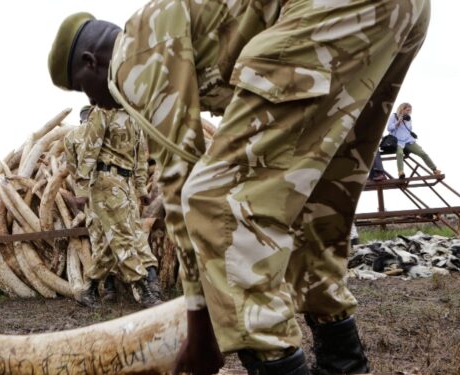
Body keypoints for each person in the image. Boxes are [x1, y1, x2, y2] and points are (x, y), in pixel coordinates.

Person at [49, 1, 429, 373]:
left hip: (333, 11)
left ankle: (276, 363)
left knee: (216, 203)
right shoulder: (174, 22)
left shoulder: (133, 54)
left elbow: (182, 176)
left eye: (83, 88)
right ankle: (342, 362)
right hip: (399, 12)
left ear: (90, 62)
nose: (92, 100)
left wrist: (200, 326)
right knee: (315, 209)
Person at [67, 104, 162, 308]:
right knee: (122, 236)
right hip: (106, 181)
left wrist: (141, 189)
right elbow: (90, 149)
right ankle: (142, 289)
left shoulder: (134, 119)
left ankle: (89, 288)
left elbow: (139, 160)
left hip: (125, 185)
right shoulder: (103, 111)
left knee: (111, 245)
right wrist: (82, 188)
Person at [387, 102, 441, 179]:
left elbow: (408, 129)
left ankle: (435, 169)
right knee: (399, 153)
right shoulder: (394, 116)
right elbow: (389, 128)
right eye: (407, 110)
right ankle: (400, 172)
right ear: (402, 109)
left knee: (422, 153)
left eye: (410, 111)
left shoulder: (408, 118)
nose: (409, 112)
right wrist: (398, 122)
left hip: (408, 140)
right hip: (398, 141)